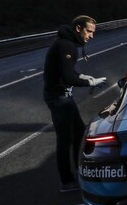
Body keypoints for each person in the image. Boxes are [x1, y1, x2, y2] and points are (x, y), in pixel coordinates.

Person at [43, 15, 107, 192]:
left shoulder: (68, 43)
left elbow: (68, 71)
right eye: (89, 31)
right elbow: (67, 76)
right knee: (65, 140)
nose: (91, 36)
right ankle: (66, 181)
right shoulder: (67, 45)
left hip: (64, 96)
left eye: (94, 32)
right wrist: (89, 82)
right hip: (58, 98)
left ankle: (79, 170)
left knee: (79, 131)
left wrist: (81, 76)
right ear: (78, 28)